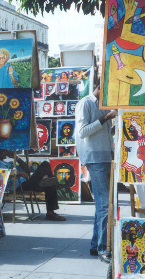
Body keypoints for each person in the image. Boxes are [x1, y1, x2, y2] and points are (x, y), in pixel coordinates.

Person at [75, 82, 117, 263]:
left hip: (106, 157)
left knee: (102, 203)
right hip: (95, 158)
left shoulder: (102, 105)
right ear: (99, 87)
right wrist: (105, 118)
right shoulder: (86, 103)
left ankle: (96, 245)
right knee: (104, 205)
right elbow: (83, 131)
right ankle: (102, 248)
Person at [0, 149, 66, 221]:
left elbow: (27, 170)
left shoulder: (7, 163)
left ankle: (50, 213)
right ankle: (45, 180)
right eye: (3, 151)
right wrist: (17, 173)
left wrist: (16, 158)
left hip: (26, 182)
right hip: (17, 186)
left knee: (50, 183)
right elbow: (0, 172)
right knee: (45, 164)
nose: (6, 152)